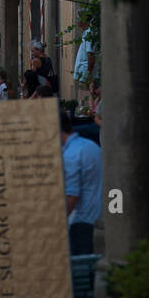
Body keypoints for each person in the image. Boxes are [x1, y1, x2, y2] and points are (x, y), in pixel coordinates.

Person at [60, 109, 103, 254]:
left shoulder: (70, 155)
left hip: (81, 222)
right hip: (98, 216)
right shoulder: (91, 146)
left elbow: (71, 197)